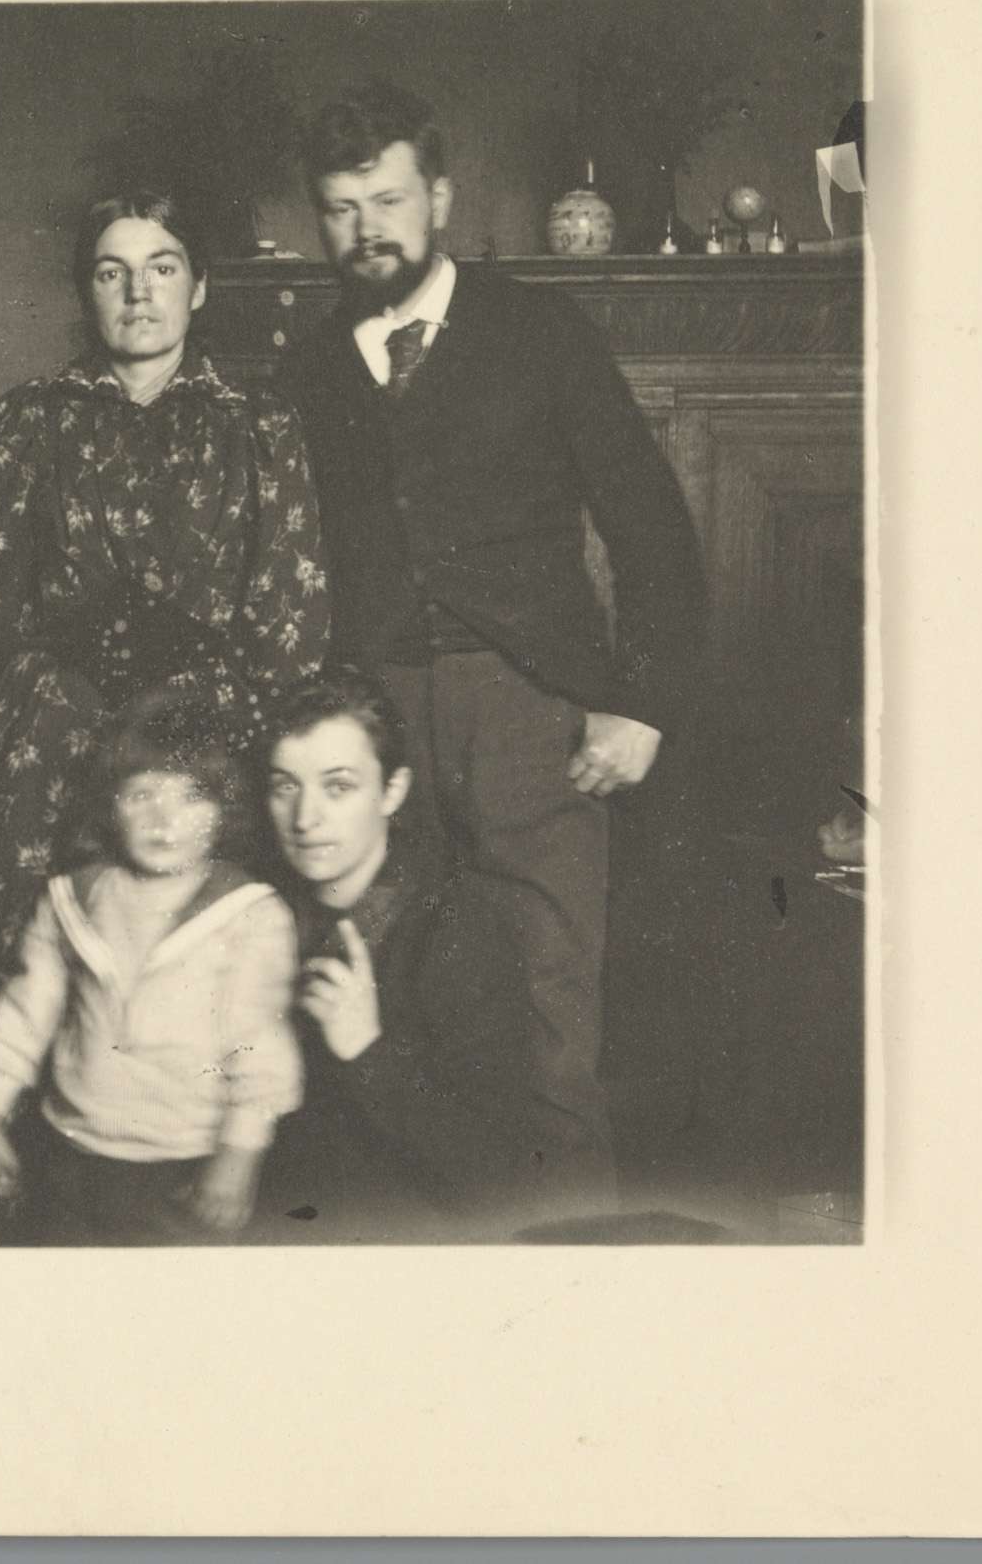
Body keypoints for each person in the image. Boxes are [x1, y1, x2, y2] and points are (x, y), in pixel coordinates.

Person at [278, 81, 707, 1214]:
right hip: (376, 729)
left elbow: (652, 527)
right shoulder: (310, 366)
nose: (366, 229)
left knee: (551, 1017)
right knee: (381, 1007)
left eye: (387, 200)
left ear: (440, 198)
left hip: (530, 717)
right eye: (340, 208)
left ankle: (574, 1260)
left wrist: (642, 703)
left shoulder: (539, 331)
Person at [0, 190, 329, 1028]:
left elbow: (292, 618)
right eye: (111, 272)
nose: (138, 293)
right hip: (54, 723)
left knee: (187, 985)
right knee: (24, 982)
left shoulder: (258, 424)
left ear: (199, 285)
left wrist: (197, 690)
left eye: (161, 268)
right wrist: (65, 667)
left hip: (203, 730)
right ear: (87, 290)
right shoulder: (31, 417)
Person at [0, 696, 301, 1245]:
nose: (163, 819)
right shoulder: (71, 899)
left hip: (186, 1164)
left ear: (225, 809)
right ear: (111, 804)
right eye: (142, 794)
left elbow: (261, 1050)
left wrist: (239, 1155)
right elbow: (24, 1016)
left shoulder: (250, 915)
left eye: (191, 796)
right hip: (69, 1150)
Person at [256, 668, 553, 1242]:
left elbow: (499, 1175)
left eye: (338, 787)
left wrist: (367, 1052)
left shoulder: (457, 928)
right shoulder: (261, 908)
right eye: (285, 786)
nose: (305, 819)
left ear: (392, 791)